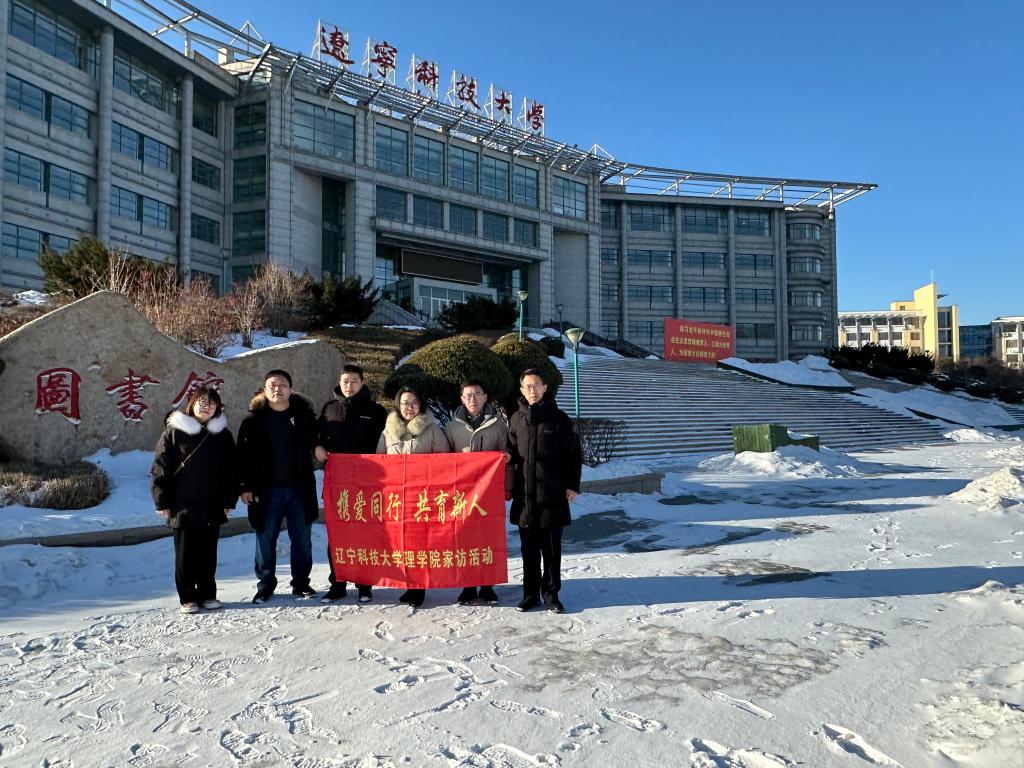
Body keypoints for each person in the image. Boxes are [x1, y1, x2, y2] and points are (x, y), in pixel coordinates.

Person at [151, 385, 237, 614]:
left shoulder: (223, 435)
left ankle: (208, 594)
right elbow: (160, 468)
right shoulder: (174, 432)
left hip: (212, 503)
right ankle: (187, 597)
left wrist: (229, 500)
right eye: (202, 401)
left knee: (208, 553)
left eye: (212, 403)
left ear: (218, 408)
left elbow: (231, 470)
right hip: (182, 504)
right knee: (185, 555)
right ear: (192, 404)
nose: (207, 406)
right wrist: (162, 501)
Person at [237, 369, 320, 604]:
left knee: (302, 539)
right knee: (265, 539)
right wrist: (244, 486)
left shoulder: (304, 417)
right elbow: (242, 457)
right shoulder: (253, 421)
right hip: (266, 491)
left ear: (291, 390)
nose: (277, 389)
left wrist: (318, 446)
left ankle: (301, 583)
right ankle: (265, 586)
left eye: (282, 385)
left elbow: (318, 439)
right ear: (264, 390)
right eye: (272, 385)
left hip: (299, 489)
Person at [507, 368, 582, 614]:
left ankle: (551, 596)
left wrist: (572, 485)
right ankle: (530, 595)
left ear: (545, 387)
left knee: (551, 551)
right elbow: (511, 450)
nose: (532, 390)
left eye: (536, 385)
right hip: (525, 497)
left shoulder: (559, 419)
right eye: (527, 386)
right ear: (521, 390)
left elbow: (574, 454)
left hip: (552, 496)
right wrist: (505, 457)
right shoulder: (516, 419)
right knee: (528, 552)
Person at [314, 364, 387, 603]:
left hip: (368, 481)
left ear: (362, 383)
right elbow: (318, 436)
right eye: (345, 381)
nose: (349, 385)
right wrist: (318, 447)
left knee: (365, 533)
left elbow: (385, 443)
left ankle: (364, 584)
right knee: (338, 533)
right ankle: (338, 582)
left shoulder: (376, 411)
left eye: (354, 381)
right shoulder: (330, 408)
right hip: (338, 481)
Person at [377, 385, 452, 607]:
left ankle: (419, 587)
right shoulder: (388, 431)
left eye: (414, 403)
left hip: (423, 499)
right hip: (397, 498)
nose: (409, 407)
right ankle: (408, 585)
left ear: (421, 405)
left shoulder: (432, 430)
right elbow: (379, 460)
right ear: (398, 406)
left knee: (420, 545)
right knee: (400, 545)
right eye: (405, 403)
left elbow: (445, 461)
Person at [443, 378, 510, 606]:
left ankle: (488, 586)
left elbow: (507, 452)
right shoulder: (452, 427)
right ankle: (469, 586)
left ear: (485, 397)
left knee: (488, 539)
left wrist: (506, 464)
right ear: (462, 399)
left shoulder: (498, 424)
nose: (473, 399)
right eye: (468, 395)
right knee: (464, 540)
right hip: (461, 493)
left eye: (477, 394)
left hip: (488, 492)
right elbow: (444, 458)